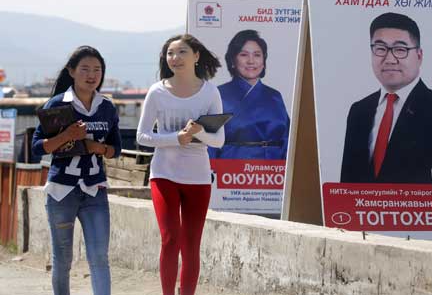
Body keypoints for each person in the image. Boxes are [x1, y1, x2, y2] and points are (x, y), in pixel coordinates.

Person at [340, 12, 432, 184]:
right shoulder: (359, 111)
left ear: (419, 56)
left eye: (400, 49)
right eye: (380, 49)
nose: (389, 59)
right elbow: (347, 183)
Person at [136, 34, 224, 295]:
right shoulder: (157, 91)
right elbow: (142, 136)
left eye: (182, 52)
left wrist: (198, 133)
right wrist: (177, 138)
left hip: (198, 177)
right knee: (170, 238)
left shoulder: (210, 92)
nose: (175, 58)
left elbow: (219, 140)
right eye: (170, 53)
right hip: (164, 174)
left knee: (191, 245)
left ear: (196, 56)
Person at [32, 45, 122, 295]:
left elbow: (117, 148)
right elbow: (38, 148)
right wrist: (68, 135)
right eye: (85, 69)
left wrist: (99, 148)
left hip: (95, 190)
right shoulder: (58, 104)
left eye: (97, 70)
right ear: (71, 71)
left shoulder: (107, 107)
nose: (92, 75)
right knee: (62, 260)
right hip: (62, 191)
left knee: (99, 258)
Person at [209, 29, 290, 160]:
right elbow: (209, 143)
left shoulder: (275, 96)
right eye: (244, 55)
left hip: (274, 171)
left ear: (264, 61)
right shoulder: (218, 94)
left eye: (257, 55)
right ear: (232, 61)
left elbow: (288, 139)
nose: (251, 61)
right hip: (232, 171)